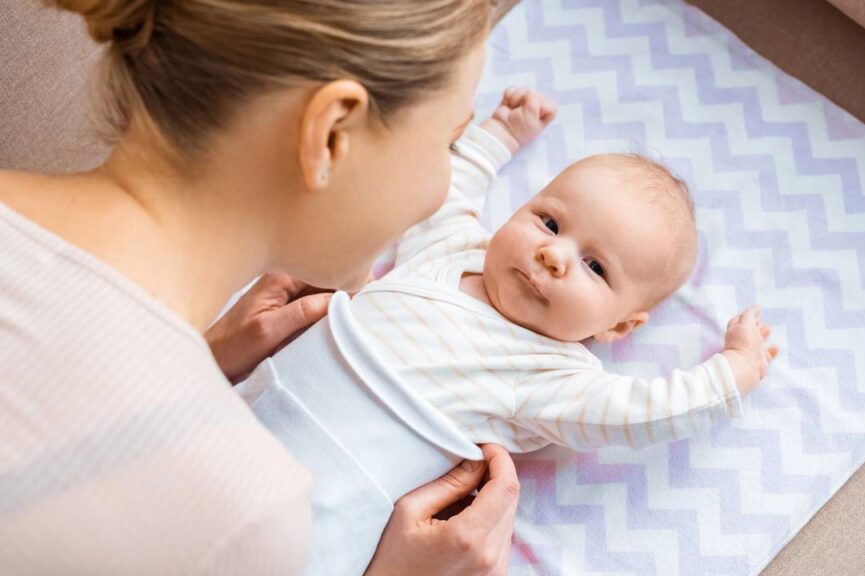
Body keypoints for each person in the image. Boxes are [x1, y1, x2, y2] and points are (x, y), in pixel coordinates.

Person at [0, 0, 519, 574]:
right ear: (332, 134)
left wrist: (200, 360)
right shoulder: (242, 516)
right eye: (449, 143)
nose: (444, 189)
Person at [239, 86, 779, 565]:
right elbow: (448, 192)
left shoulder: (551, 375)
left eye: (595, 267)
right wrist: (499, 134)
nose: (553, 255)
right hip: (243, 418)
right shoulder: (451, 250)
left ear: (619, 327)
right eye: (550, 222)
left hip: (321, 511)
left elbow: (647, 412)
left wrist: (736, 369)